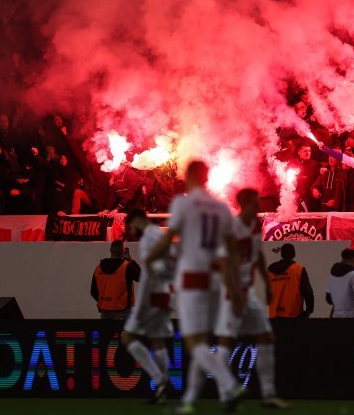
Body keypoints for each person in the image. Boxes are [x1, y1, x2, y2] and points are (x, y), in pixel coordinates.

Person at [146, 160, 245, 413]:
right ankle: (202, 397)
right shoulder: (221, 208)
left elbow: (169, 236)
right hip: (215, 279)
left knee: (195, 341)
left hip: (192, 277)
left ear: (189, 176)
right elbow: (231, 248)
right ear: (207, 176)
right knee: (206, 339)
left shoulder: (184, 203)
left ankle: (228, 384)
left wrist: (151, 257)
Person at [210, 189, 289, 409]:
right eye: (255, 203)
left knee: (265, 337)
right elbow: (224, 264)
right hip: (231, 292)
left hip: (249, 291)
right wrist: (234, 292)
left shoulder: (255, 225)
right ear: (244, 204)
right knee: (226, 341)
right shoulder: (231, 229)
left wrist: (267, 283)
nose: (258, 206)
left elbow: (259, 254)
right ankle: (226, 393)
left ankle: (268, 394)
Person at [120, 209, 173, 404]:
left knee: (128, 338)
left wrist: (141, 304)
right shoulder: (157, 234)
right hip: (161, 294)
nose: (131, 231)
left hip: (152, 297)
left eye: (131, 226)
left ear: (138, 221)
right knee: (157, 340)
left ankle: (160, 379)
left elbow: (154, 271)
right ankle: (162, 388)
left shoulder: (150, 238)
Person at [90, 239, 140, 320]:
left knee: (107, 332)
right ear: (124, 252)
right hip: (124, 311)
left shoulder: (98, 268)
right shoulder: (127, 267)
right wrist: (131, 261)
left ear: (110, 250)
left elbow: (93, 291)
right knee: (125, 332)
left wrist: (106, 301)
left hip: (105, 311)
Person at [267, 243, 314, 318]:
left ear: (281, 254)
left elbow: (267, 293)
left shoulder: (270, 270)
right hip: (293, 316)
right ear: (294, 254)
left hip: (274, 316)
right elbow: (308, 292)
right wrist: (309, 311)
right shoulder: (298, 269)